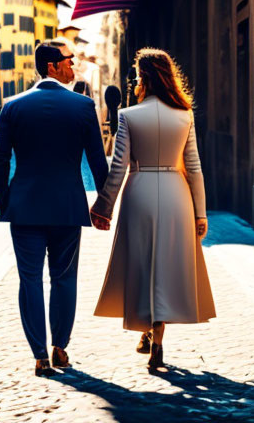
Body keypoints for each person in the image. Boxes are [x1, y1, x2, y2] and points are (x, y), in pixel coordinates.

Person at [90, 48, 216, 370]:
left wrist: (103, 207)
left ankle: (147, 329)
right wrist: (200, 212)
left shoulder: (129, 116)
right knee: (168, 266)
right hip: (176, 193)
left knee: (143, 264)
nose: (133, 81)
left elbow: (118, 167)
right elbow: (194, 166)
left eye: (135, 75)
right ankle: (156, 339)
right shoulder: (184, 115)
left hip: (140, 191)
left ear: (143, 78)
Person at [0, 42, 109, 377]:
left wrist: (5, 201)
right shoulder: (83, 107)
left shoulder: (12, 107)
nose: (73, 67)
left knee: (29, 279)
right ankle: (60, 347)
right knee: (64, 277)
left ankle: (40, 355)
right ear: (54, 66)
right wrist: (104, 205)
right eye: (69, 62)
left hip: (25, 207)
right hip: (67, 207)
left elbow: (0, 162)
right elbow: (98, 163)